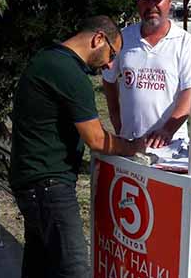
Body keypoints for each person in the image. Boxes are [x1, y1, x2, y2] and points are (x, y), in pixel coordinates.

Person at [10, 15, 144, 278]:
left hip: (30, 181)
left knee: (39, 263)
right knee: (75, 269)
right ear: (98, 39)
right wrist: (132, 147)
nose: (109, 63)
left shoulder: (48, 57)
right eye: (112, 53)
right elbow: (96, 139)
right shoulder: (70, 74)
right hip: (49, 185)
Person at [102, 0, 191, 148]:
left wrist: (168, 130)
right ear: (137, 3)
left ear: (169, 0)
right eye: (145, 0)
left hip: (171, 145)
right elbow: (108, 79)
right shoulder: (122, 38)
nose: (151, 6)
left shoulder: (185, 42)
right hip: (129, 142)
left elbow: (189, 92)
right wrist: (117, 121)